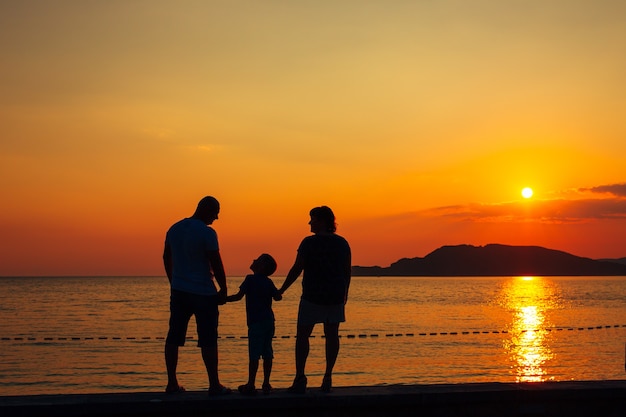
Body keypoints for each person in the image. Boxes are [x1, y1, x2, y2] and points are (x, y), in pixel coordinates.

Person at [162, 196, 231, 395]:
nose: (217, 217)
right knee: (208, 338)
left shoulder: (174, 228)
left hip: (179, 291)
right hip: (203, 292)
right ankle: (214, 384)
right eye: (216, 212)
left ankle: (171, 382)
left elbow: (166, 256)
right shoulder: (207, 232)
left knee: (173, 336)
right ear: (206, 209)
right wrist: (223, 288)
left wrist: (173, 281)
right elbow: (216, 262)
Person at [279, 206, 351, 394]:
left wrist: (282, 290)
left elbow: (297, 268)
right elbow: (346, 271)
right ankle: (328, 376)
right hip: (335, 295)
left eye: (312, 219)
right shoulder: (342, 243)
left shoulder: (308, 243)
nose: (310, 223)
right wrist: (345, 294)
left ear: (322, 221)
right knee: (332, 335)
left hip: (312, 295)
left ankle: (300, 377)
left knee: (303, 335)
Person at [226, 254, 282, 395]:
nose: (253, 260)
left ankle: (251, 383)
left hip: (256, 322)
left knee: (254, 354)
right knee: (267, 351)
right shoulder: (268, 282)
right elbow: (277, 297)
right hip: (269, 321)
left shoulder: (250, 279)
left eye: (257, 260)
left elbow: (238, 296)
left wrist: (222, 299)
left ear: (261, 266)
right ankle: (266, 383)